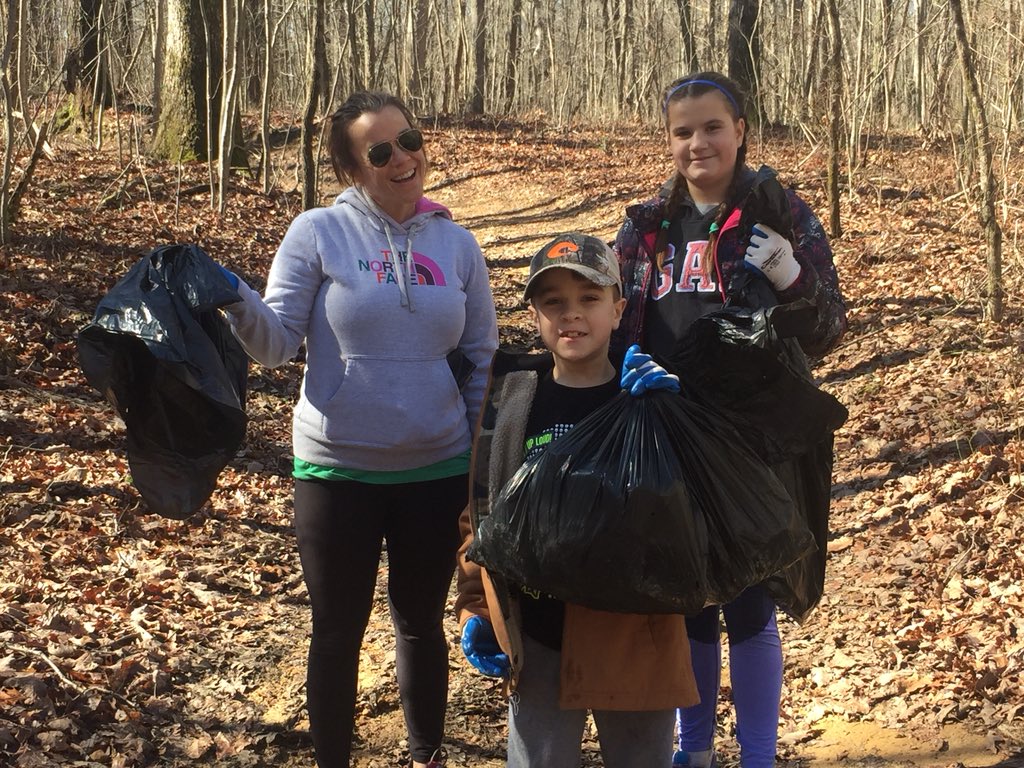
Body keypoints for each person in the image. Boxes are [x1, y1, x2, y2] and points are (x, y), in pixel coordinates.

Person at [217, 90, 498, 768]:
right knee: (337, 632)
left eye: (411, 139)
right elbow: (277, 342)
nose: (404, 158)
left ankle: (426, 754)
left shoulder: (456, 245)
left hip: (434, 470)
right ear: (352, 168)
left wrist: (473, 460)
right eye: (381, 151)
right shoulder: (318, 232)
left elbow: (484, 358)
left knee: (420, 625)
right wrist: (229, 295)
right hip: (336, 470)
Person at [612, 72, 847, 768]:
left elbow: (828, 326)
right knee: (689, 597)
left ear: (740, 129)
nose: (698, 143)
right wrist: (622, 372)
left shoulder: (781, 213)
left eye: (712, 126)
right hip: (668, 434)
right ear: (669, 141)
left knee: (748, 602)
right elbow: (614, 321)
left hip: (751, 441)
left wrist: (789, 275)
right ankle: (695, 752)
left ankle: (759, 756)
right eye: (682, 132)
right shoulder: (647, 227)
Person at [454, 232, 698, 768]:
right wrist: (476, 604)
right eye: (553, 302)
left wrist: (677, 424)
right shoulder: (515, 401)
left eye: (589, 299)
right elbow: (484, 508)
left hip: (636, 635)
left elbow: (688, 519)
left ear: (618, 308)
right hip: (538, 635)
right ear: (535, 315)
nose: (572, 315)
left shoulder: (645, 398)